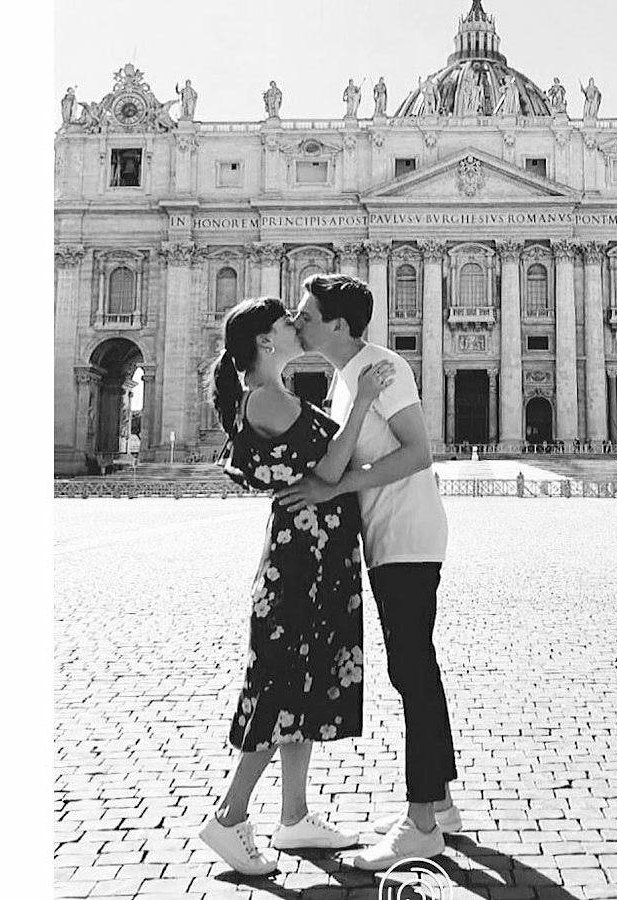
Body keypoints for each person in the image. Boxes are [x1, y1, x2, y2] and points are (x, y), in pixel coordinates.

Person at [198, 297, 396, 876]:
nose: (295, 326)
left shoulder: (273, 395)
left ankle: (294, 817)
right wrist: (361, 402)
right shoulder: (269, 398)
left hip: (314, 553)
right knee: (281, 679)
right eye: (286, 322)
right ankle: (231, 815)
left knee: (302, 679)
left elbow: (318, 474)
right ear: (264, 341)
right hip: (302, 562)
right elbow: (329, 471)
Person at [276, 275, 460, 870]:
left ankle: (421, 824)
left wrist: (338, 487)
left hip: (406, 533)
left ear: (338, 325)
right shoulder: (346, 380)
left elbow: (419, 451)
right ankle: (442, 804)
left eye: (305, 315)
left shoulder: (381, 368)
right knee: (416, 670)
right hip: (386, 536)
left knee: (413, 672)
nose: (296, 322)